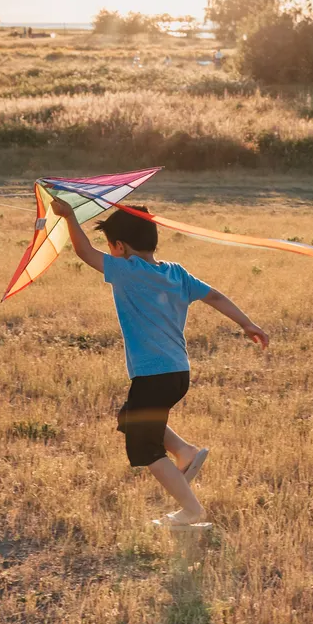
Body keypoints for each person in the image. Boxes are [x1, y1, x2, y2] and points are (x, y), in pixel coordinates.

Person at [50, 197, 269, 528]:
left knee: (145, 447)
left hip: (153, 376)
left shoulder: (127, 270)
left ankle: (191, 510)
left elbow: (84, 252)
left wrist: (68, 216)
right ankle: (186, 452)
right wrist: (246, 323)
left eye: (110, 247)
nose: (109, 253)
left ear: (120, 247)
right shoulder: (176, 272)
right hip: (178, 373)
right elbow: (215, 296)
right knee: (130, 418)